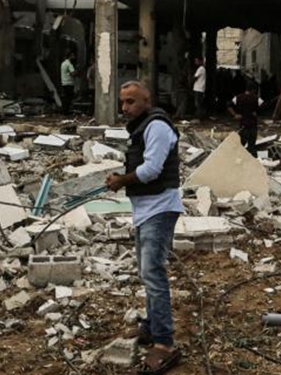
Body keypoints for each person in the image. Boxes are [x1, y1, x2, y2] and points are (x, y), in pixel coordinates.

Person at [105, 81, 184, 375]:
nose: (125, 108)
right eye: (122, 102)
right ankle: (151, 327)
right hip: (146, 210)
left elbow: (151, 170)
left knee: (153, 273)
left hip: (160, 209)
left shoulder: (157, 127)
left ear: (146, 101)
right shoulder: (141, 127)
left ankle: (164, 343)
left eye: (131, 102)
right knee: (146, 272)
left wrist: (121, 181)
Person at [228, 81, 263, 157]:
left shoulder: (237, 98)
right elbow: (263, 108)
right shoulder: (257, 99)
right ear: (253, 90)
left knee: (241, 145)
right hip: (252, 125)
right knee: (251, 145)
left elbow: (229, 105)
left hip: (242, 124)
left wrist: (235, 114)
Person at [60, 51, 77, 116]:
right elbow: (73, 73)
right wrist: (77, 71)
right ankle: (67, 112)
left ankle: (64, 111)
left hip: (64, 83)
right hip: (69, 83)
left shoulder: (63, 63)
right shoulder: (69, 64)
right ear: (70, 56)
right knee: (69, 98)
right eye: (73, 56)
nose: (74, 57)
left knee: (65, 98)